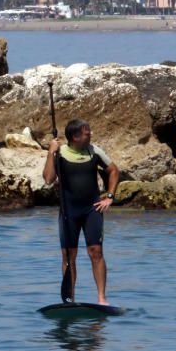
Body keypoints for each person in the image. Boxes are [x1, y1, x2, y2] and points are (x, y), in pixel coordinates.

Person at [43, 119, 120, 305]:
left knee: (96, 252)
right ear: (75, 137)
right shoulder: (59, 153)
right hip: (68, 211)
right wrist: (51, 152)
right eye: (87, 133)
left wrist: (109, 196)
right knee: (69, 255)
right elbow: (48, 179)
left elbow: (113, 171)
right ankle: (69, 299)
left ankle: (102, 298)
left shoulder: (94, 151)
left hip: (91, 210)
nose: (91, 134)